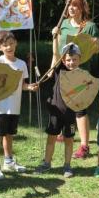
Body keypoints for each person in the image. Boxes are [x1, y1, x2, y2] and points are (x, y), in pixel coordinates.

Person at [51, 0, 99, 160]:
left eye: (75, 6)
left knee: (80, 107)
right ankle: (65, 132)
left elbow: (97, 49)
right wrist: (54, 35)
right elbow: (57, 50)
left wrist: (92, 44)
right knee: (64, 103)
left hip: (81, 72)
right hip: (63, 70)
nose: (71, 9)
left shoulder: (90, 26)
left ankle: (84, 146)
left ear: (81, 8)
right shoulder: (63, 24)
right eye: (69, 6)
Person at [0, 31, 38, 179]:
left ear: (16, 43)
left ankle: (8, 161)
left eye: (11, 43)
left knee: (9, 135)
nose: (9, 47)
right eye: (5, 45)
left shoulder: (21, 64)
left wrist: (30, 87)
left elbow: (22, 85)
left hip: (14, 106)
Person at [35, 37, 83, 178]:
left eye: (74, 59)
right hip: (56, 111)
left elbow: (85, 95)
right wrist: (55, 37)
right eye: (68, 60)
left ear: (79, 59)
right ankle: (47, 163)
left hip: (70, 113)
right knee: (51, 138)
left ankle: (67, 165)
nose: (71, 62)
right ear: (63, 61)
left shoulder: (81, 75)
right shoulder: (59, 70)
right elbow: (56, 54)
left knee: (69, 139)